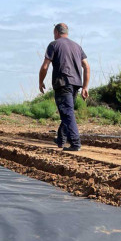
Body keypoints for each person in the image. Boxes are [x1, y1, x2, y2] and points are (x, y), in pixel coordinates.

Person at [39, 23, 90, 151]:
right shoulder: (77, 46)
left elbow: (45, 66)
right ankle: (61, 139)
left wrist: (41, 81)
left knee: (67, 113)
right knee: (67, 111)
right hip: (76, 84)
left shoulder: (54, 44)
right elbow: (86, 66)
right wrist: (85, 87)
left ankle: (75, 143)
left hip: (62, 83)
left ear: (56, 32)